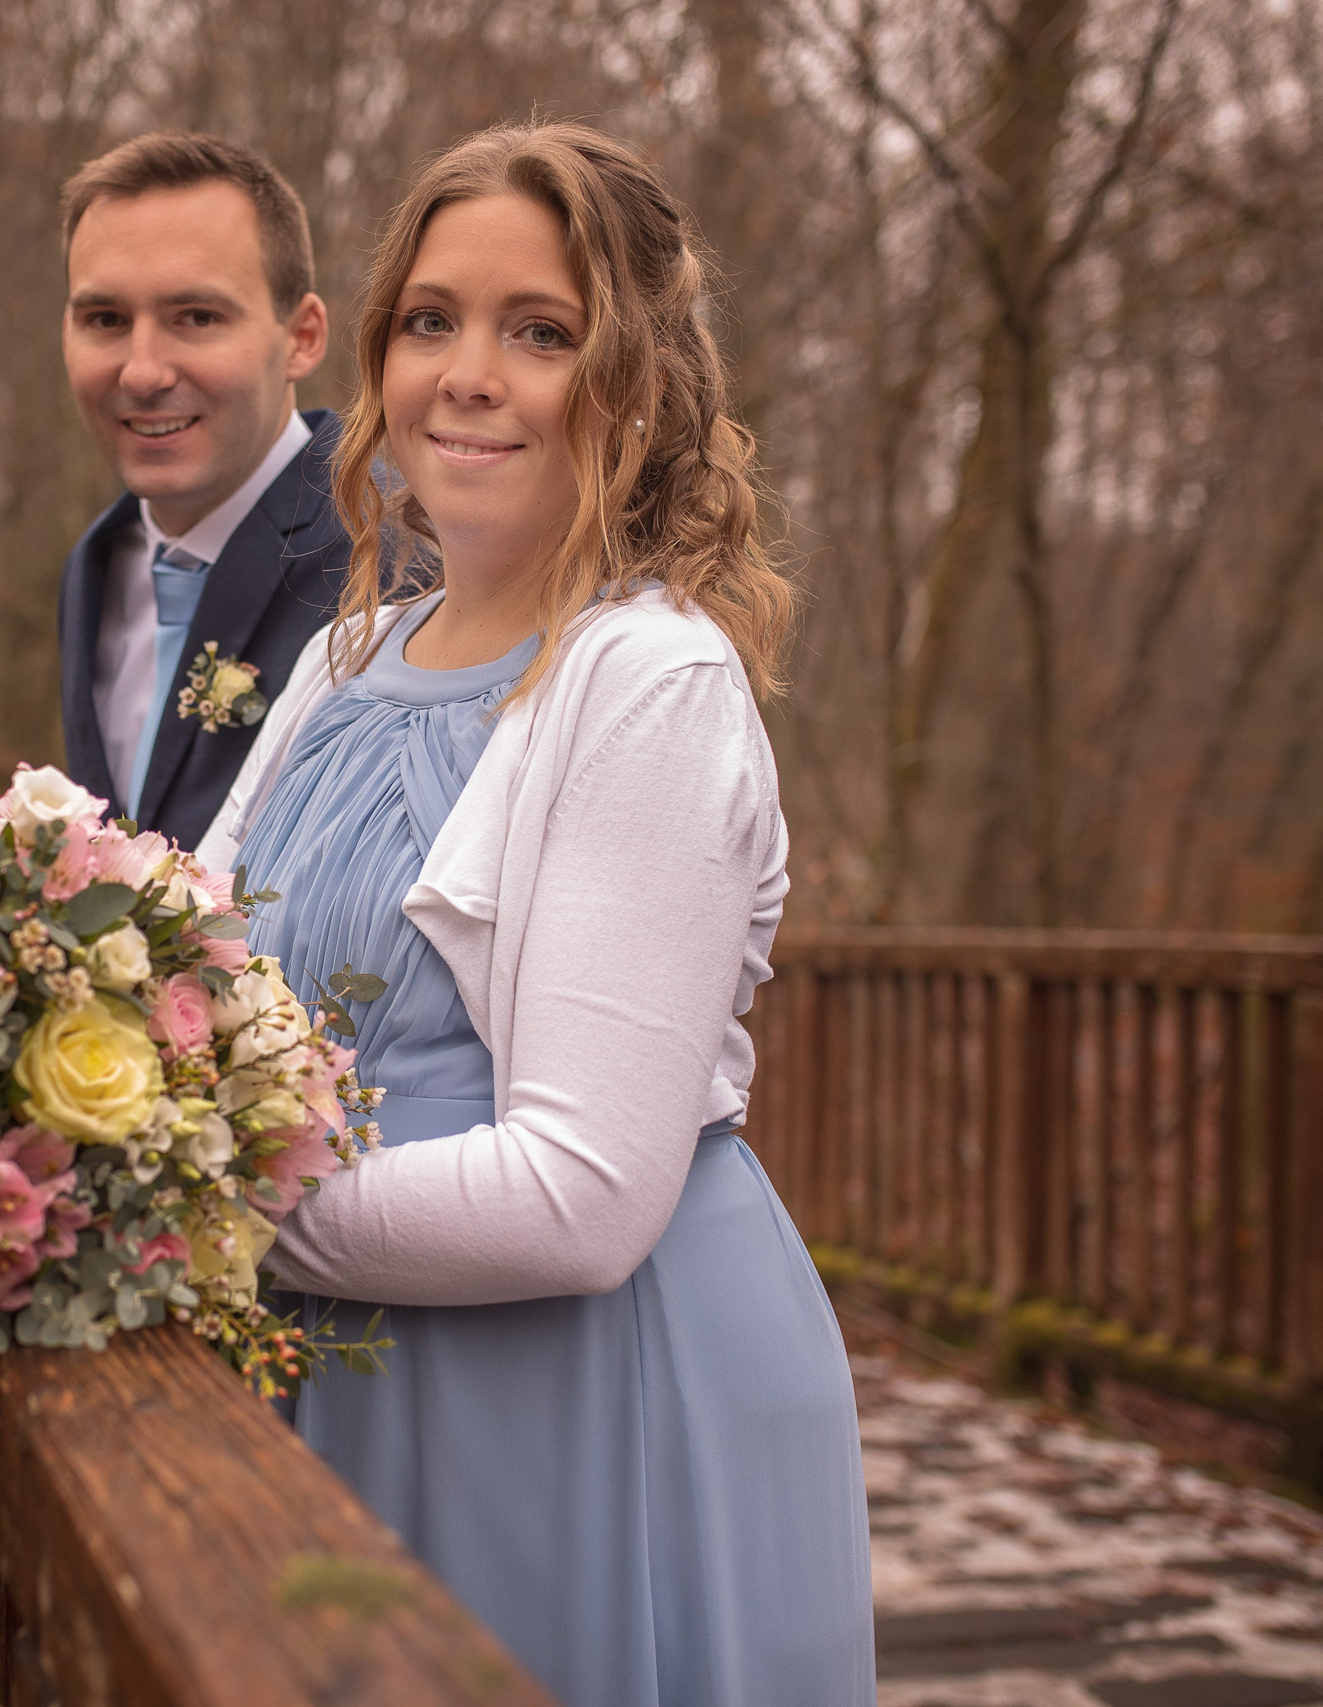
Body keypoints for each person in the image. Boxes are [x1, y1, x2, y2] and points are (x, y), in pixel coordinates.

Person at [199, 123, 876, 1706]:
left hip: (575, 1383)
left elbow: (580, 1194)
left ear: (633, 385)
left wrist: (199, 1215)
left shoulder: (650, 680)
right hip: (340, 1359)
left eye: (541, 331)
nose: (468, 373)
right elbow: (187, 962)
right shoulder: (345, 657)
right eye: (431, 320)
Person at [55, 133, 350, 848]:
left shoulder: (390, 554)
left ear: (302, 337)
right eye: (106, 320)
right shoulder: (95, 565)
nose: (143, 371)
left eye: (196, 317)